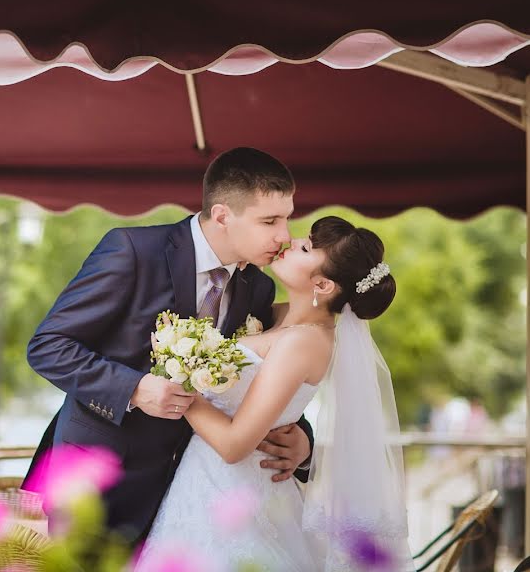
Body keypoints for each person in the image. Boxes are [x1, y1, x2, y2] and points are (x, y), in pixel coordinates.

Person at [23, 147, 314, 543]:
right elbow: (48, 345)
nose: (284, 235)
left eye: (287, 218)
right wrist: (135, 389)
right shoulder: (132, 251)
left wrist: (302, 442)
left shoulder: (258, 287)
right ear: (223, 215)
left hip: (183, 492)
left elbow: (250, 377)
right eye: (270, 221)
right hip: (93, 479)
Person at [138, 216, 412, 571]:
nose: (292, 240)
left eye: (307, 248)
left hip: (233, 492)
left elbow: (235, 445)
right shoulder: (276, 314)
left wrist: (181, 379)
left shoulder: (305, 341)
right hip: (205, 480)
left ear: (324, 285)